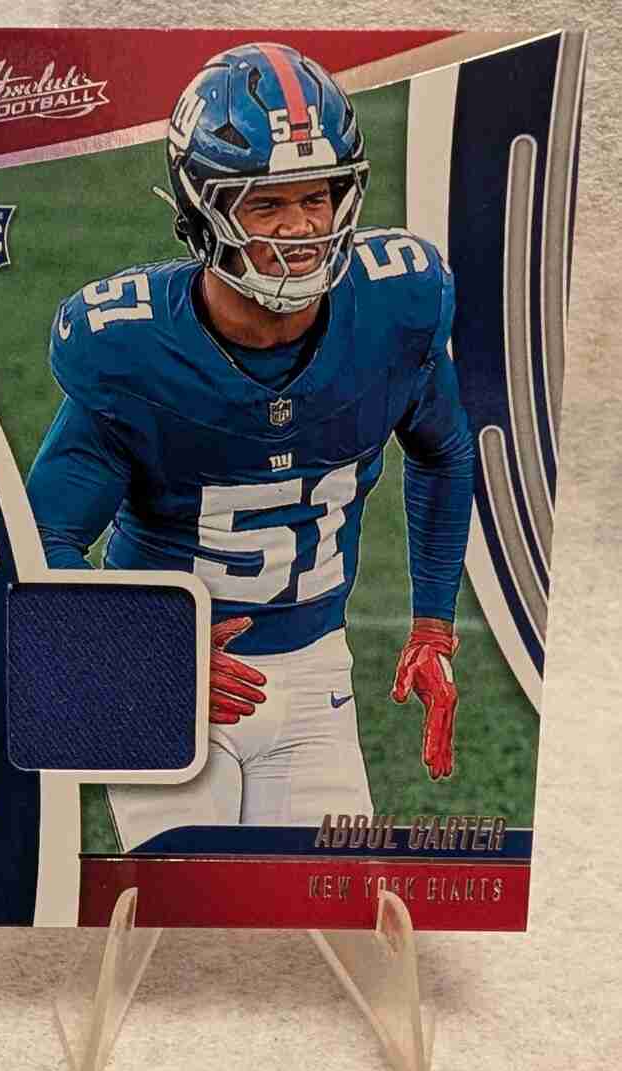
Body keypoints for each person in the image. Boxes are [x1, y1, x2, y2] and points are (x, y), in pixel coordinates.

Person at [26, 42, 474, 850]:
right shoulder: (131, 349)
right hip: (170, 681)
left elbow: (443, 450)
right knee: (190, 899)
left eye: (317, 196)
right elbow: (43, 535)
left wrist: (433, 623)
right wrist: (145, 651)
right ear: (202, 209)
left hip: (314, 669)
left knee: (322, 907)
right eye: (265, 204)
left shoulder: (395, 308)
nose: (300, 228)